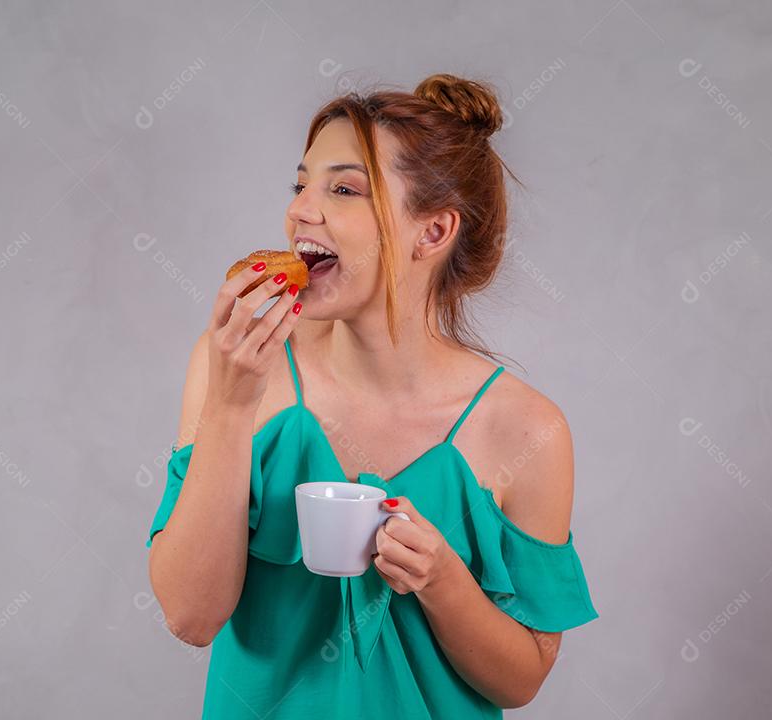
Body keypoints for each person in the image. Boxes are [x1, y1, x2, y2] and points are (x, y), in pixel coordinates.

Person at [146, 72, 599, 718]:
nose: (301, 210)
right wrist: (231, 404)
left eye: (344, 189)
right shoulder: (242, 368)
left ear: (433, 233)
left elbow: (522, 680)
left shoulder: (529, 432)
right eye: (301, 184)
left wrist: (443, 581)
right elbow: (190, 615)